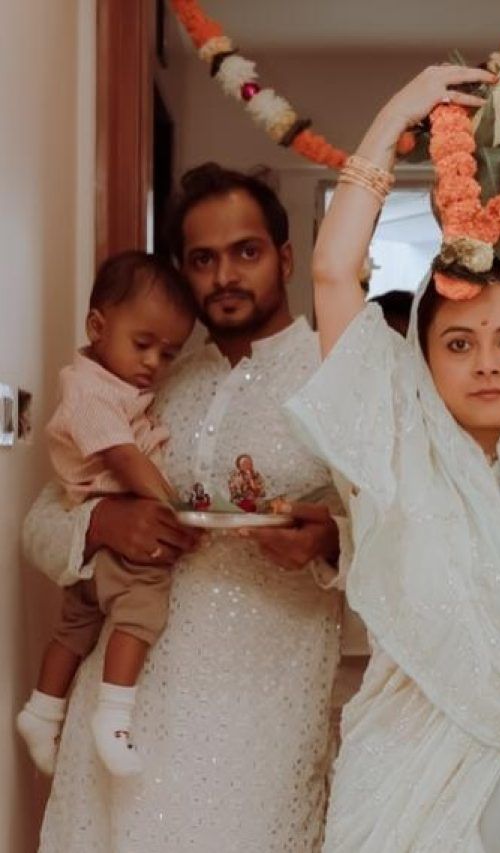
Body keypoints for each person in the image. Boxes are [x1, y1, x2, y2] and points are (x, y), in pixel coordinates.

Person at [284, 64, 500, 851]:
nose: (487, 365)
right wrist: (395, 117)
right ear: (421, 359)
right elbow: (333, 272)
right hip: (395, 788)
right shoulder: (387, 447)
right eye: (459, 344)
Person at [23, 164, 346, 852]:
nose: (225, 275)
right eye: (202, 259)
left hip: (263, 716)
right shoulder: (149, 381)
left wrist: (333, 541)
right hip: (126, 711)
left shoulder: (340, 379)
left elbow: (413, 535)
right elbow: (39, 526)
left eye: (246, 252)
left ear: (286, 258)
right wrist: (102, 523)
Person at [17, 252, 195, 779]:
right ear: (97, 327)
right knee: (142, 610)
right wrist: (175, 511)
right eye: (143, 345)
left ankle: (42, 711)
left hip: (92, 529)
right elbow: (125, 459)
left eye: (168, 354)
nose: (153, 363)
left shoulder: (118, 387)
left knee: (75, 627)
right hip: (110, 529)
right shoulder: (89, 390)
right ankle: (114, 718)